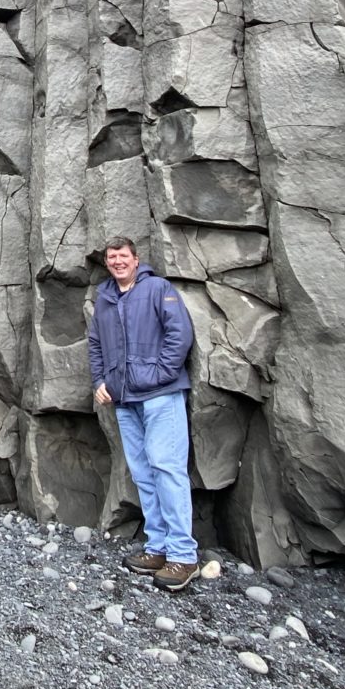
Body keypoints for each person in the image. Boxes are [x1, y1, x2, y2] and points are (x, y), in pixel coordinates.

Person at [87, 235, 199, 590]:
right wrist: (100, 380)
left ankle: (183, 556)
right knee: (144, 474)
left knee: (167, 469)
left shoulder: (157, 288)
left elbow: (179, 334)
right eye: (112, 257)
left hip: (161, 396)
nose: (118, 261)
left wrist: (159, 374)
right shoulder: (104, 299)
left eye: (123, 256)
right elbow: (95, 344)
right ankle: (158, 548)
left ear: (136, 260)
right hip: (123, 399)